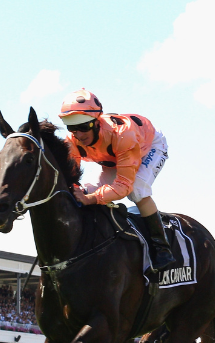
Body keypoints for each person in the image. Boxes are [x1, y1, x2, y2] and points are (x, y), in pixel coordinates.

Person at [59, 88, 174, 271]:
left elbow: (123, 186)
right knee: (85, 191)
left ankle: (162, 247)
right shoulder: (71, 141)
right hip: (117, 157)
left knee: (137, 191)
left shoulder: (123, 135)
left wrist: (91, 199)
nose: (79, 135)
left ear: (97, 121)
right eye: (72, 128)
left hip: (148, 147)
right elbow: (70, 178)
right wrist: (79, 192)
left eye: (83, 127)